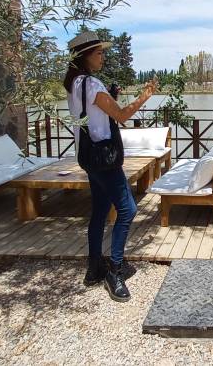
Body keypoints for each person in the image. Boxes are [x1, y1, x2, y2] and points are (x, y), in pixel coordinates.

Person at [63, 31, 156, 302]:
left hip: (88, 156)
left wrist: (110, 95)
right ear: (85, 56)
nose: (103, 56)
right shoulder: (91, 84)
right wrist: (145, 95)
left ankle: (94, 267)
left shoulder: (74, 83)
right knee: (128, 208)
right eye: (99, 52)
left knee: (101, 209)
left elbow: (93, 115)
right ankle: (114, 270)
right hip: (104, 158)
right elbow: (123, 115)